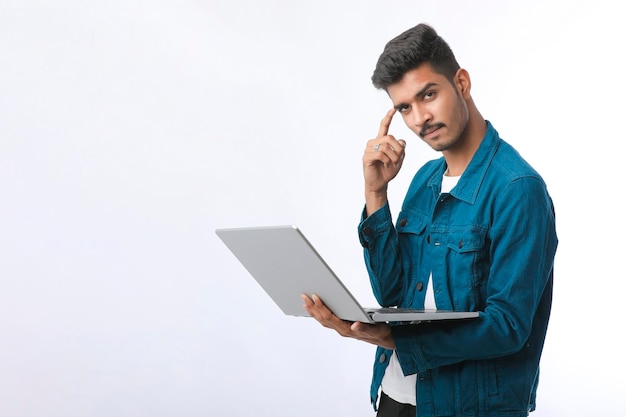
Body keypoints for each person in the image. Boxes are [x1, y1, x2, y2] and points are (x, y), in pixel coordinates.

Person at [302, 23, 558, 417]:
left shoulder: (517, 189)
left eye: (428, 95)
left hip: (467, 406)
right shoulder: (424, 180)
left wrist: (397, 340)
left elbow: (508, 326)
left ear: (461, 82)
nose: (420, 117)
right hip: (396, 395)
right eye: (405, 107)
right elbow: (394, 294)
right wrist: (376, 194)